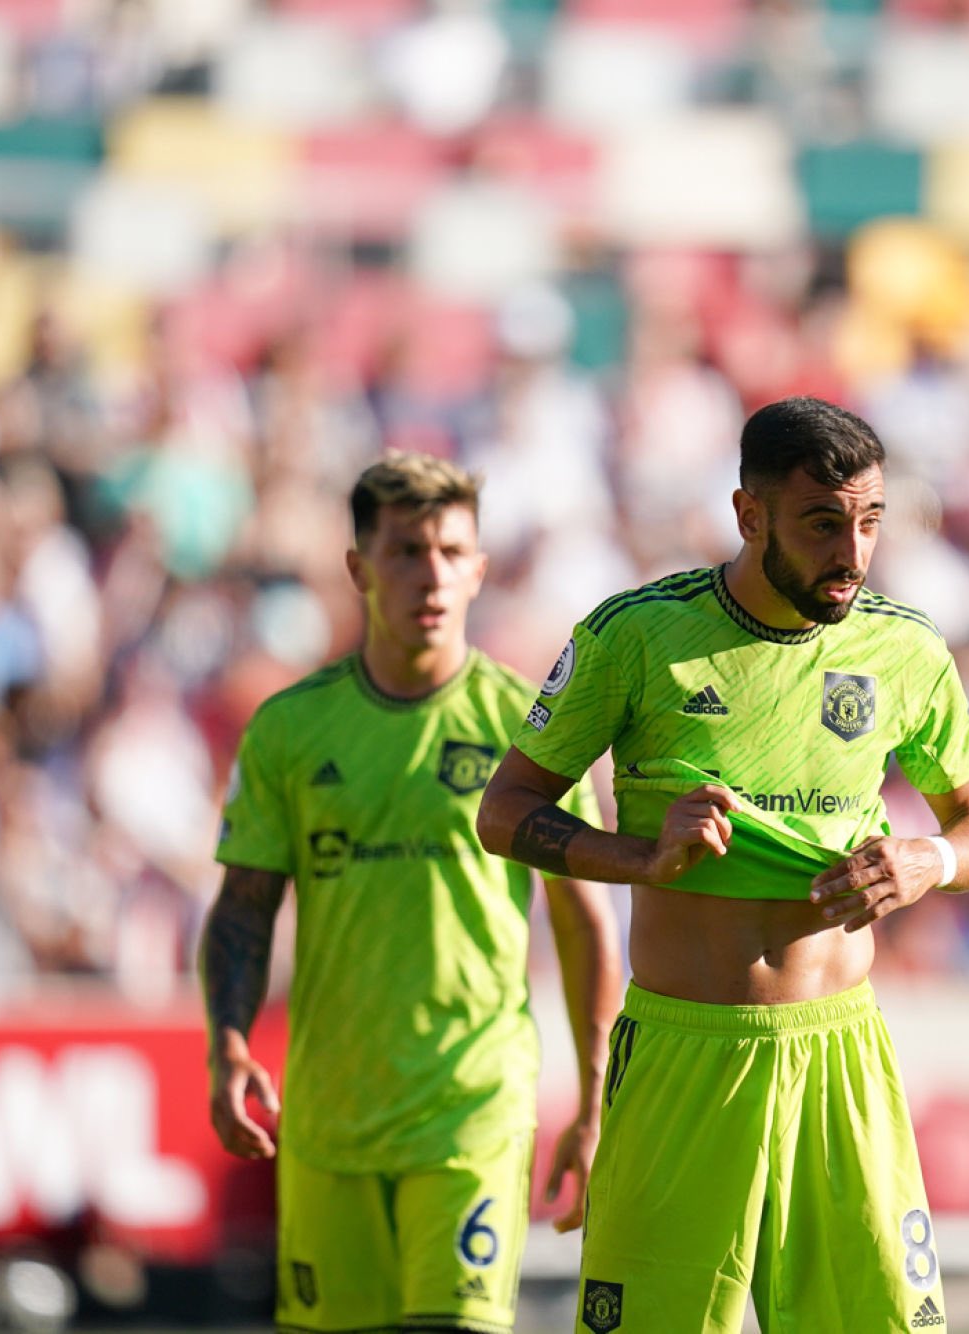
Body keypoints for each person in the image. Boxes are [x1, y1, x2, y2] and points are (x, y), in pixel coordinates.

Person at [477, 396, 969, 1334]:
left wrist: (930, 858)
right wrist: (643, 854)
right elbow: (505, 811)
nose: (852, 552)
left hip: (839, 1055)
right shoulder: (637, 637)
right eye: (822, 524)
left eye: (870, 522)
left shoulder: (905, 648)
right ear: (749, 515)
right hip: (685, 1056)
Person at [200, 453, 622, 1334]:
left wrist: (595, 1096)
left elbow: (584, 919)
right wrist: (229, 1043)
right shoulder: (291, 727)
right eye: (403, 551)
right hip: (329, 1118)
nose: (429, 574)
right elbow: (244, 905)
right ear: (358, 568)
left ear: (478, 567)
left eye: (449, 550)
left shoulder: (528, 730)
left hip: (473, 1105)